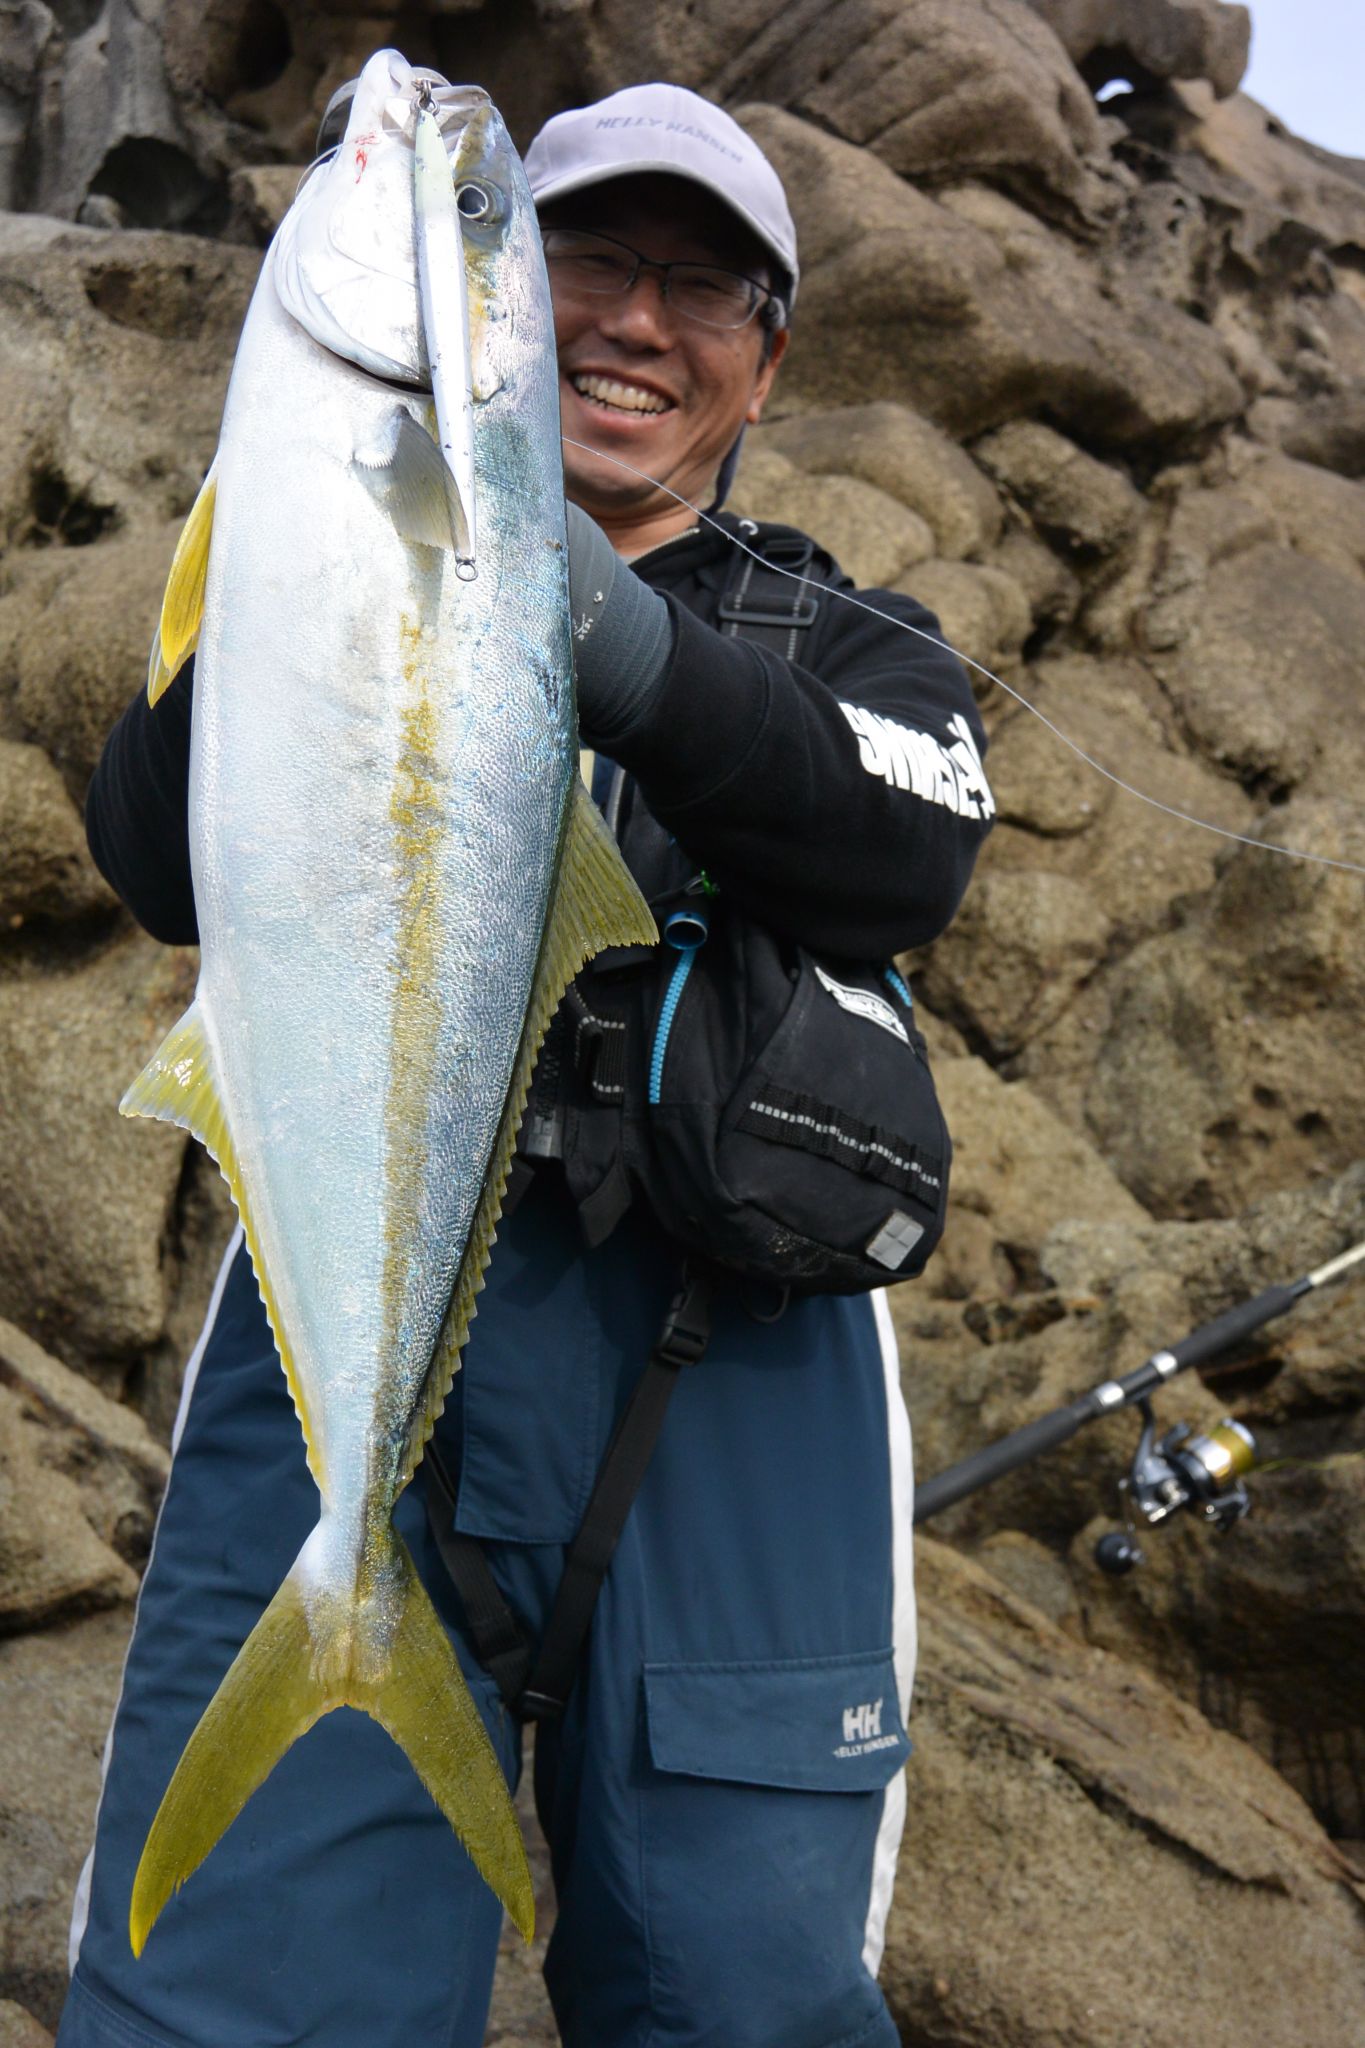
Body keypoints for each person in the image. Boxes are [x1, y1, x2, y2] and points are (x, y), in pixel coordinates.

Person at [58, 81, 992, 2048]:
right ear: (485, 297)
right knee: (243, 2002)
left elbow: (904, 840)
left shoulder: (852, 644)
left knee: (743, 2002)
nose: (632, 321)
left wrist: (614, 635)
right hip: (343, 1355)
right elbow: (154, 849)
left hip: (727, 1388)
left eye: (697, 287)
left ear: (765, 364)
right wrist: (297, 531)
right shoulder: (339, 516)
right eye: (577, 257)